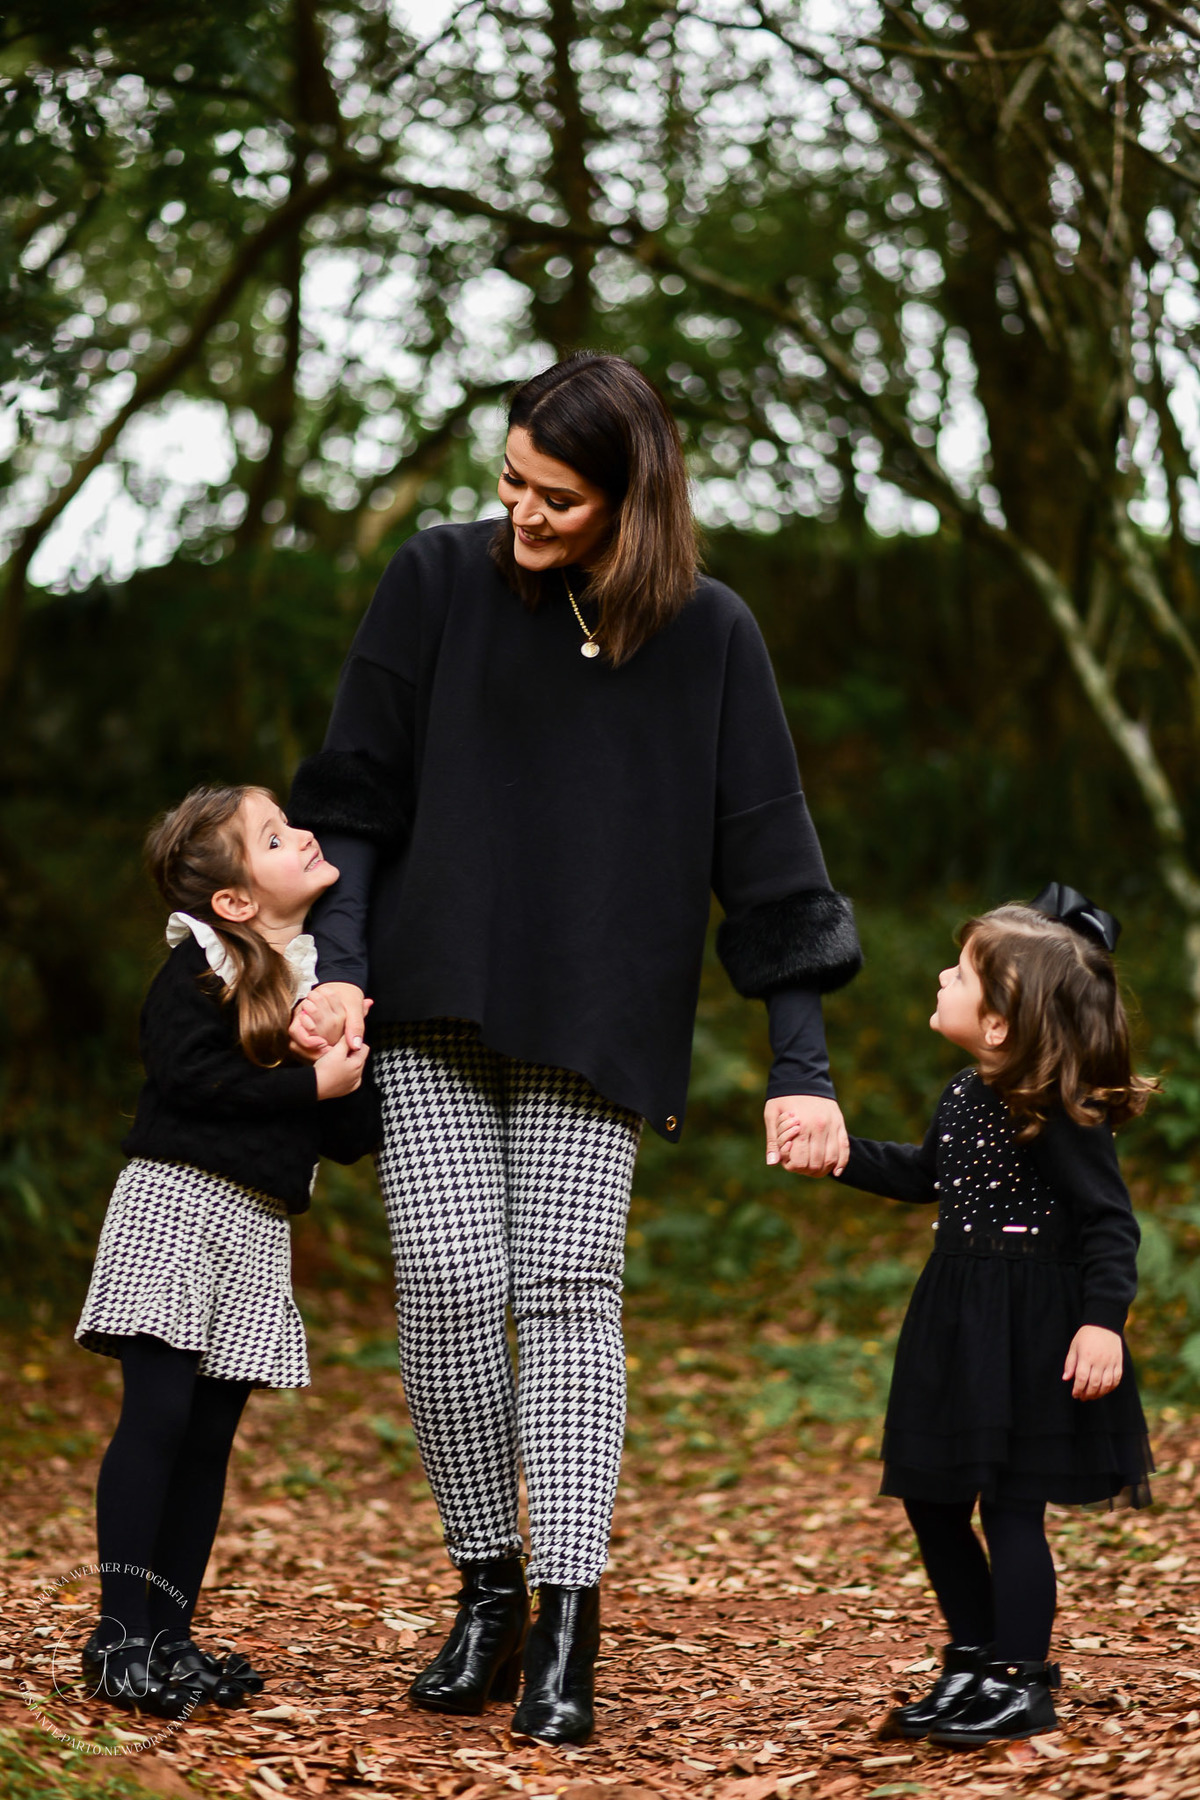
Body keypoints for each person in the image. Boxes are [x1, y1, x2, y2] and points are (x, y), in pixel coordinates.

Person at [287, 350, 861, 1746]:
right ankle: (488, 1586)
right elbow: (354, 795)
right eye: (512, 482)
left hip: (598, 1015)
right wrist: (340, 968)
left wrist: (801, 1067)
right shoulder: (436, 578)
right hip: (427, 996)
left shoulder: (712, 634)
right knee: (446, 1280)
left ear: (631, 497)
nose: (523, 513)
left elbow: (771, 865)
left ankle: (567, 1618)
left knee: (563, 1290)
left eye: (557, 496)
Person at [793, 885, 1154, 1747]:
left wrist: (1102, 1322)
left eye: (958, 974)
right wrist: (837, 1155)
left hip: (1031, 1333)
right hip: (956, 1320)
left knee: (1011, 1507)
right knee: (931, 1495)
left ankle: (1022, 1682)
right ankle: (973, 1658)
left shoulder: (1057, 1106)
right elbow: (925, 1174)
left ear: (997, 1024)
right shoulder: (964, 1092)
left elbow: (1110, 1221)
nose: (940, 978)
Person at [75, 785, 380, 1719]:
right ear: (235, 900)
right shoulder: (201, 969)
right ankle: (118, 1634)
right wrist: (305, 1086)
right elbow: (189, 1080)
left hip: (256, 1231)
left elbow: (345, 1135)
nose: (306, 835)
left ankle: (171, 1635)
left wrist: (341, 1063)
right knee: (160, 1418)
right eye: (276, 836)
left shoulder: (317, 981)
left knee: (210, 1439)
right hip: (174, 1208)